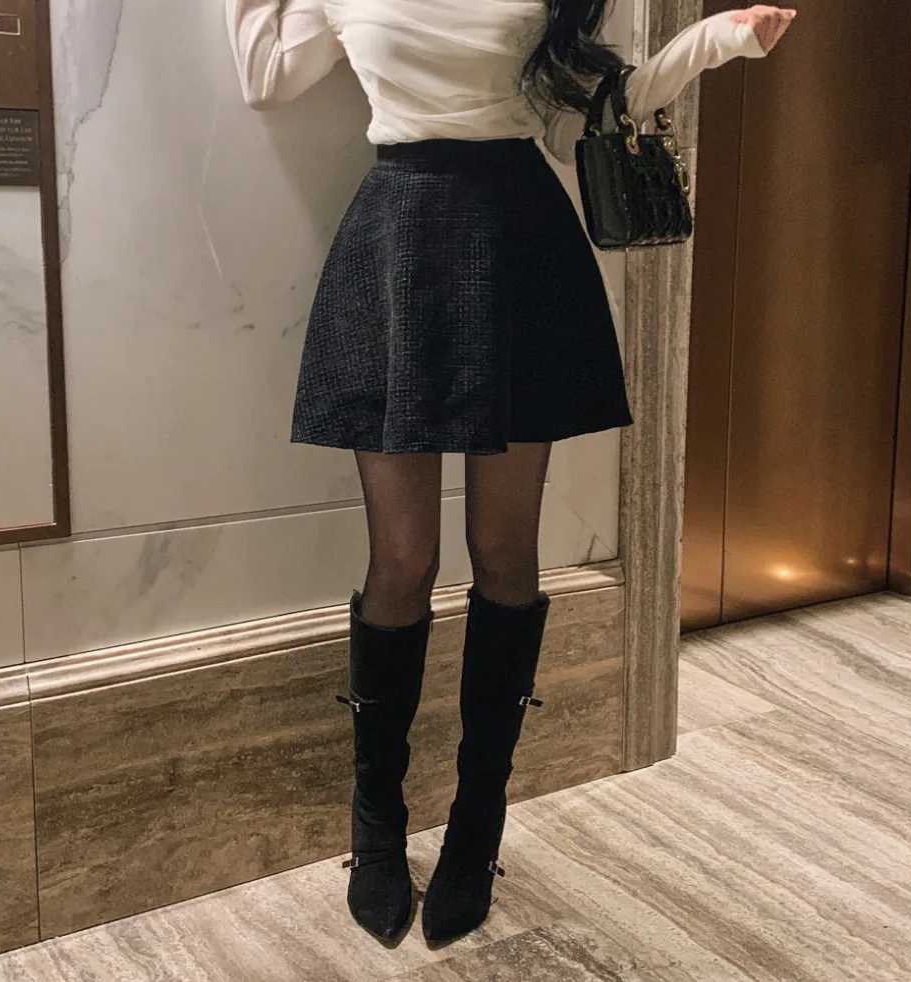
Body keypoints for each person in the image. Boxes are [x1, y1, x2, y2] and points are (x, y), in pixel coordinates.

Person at [226, 0, 795, 945]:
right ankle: (376, 825)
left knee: (503, 552)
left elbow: (593, 114)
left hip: (519, 243)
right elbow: (266, 76)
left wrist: (718, 40)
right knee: (402, 561)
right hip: (397, 240)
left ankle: (477, 824)